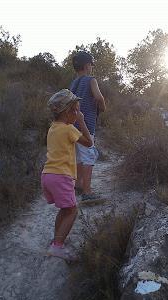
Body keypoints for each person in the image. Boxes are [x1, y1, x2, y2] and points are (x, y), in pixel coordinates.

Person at [41, 89, 92, 260]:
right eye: (76, 110)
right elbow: (89, 143)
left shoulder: (53, 128)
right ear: (67, 112)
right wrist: (82, 122)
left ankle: (57, 240)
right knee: (72, 211)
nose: (78, 113)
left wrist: (76, 117)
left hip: (47, 175)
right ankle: (57, 246)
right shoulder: (69, 129)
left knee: (64, 210)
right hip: (61, 176)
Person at [70, 51, 106, 202]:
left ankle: (78, 185)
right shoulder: (91, 80)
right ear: (87, 65)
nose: (92, 67)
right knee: (89, 156)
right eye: (91, 64)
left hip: (72, 126)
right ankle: (87, 191)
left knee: (78, 157)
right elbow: (98, 97)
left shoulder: (73, 83)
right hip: (86, 125)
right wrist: (103, 107)